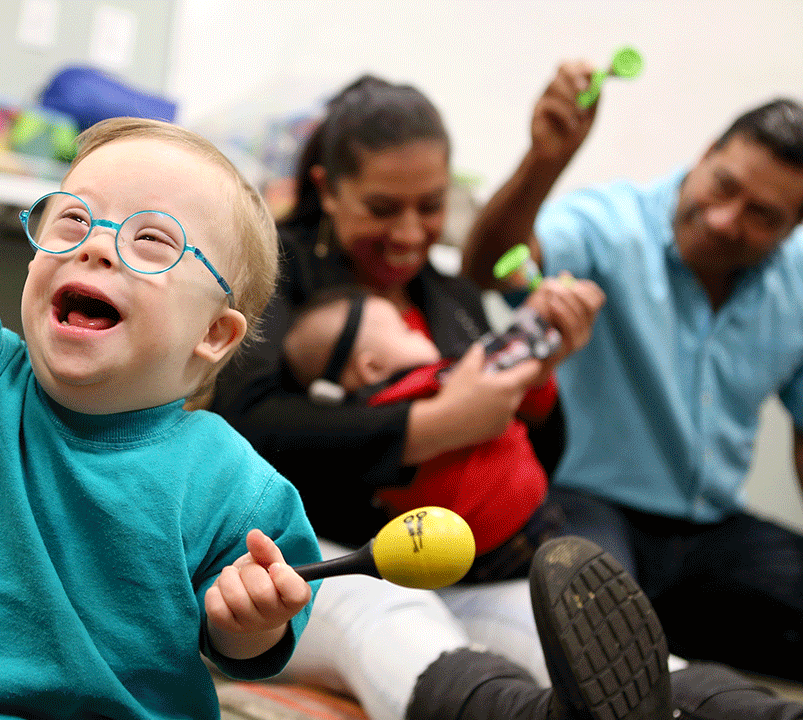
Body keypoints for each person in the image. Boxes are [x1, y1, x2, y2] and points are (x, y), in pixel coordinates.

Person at [212, 72, 803, 720]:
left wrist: (538, 383)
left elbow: (539, 459)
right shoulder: (272, 273)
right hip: (321, 555)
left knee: (594, 630)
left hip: (460, 563)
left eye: (431, 207)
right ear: (327, 189)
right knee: (395, 619)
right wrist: (434, 423)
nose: (410, 233)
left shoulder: (451, 299)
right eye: (383, 209)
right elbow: (247, 421)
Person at [0, 2, 321, 717]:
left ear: (214, 334)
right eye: (73, 219)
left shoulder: (239, 489)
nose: (94, 245)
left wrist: (249, 621)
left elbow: (247, 644)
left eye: (152, 240)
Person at [460, 60, 803, 682]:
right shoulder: (608, 228)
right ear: (704, 153)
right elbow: (486, 268)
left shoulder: (797, 282)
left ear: (794, 228)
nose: (727, 218)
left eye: (763, 216)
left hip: (714, 532)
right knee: (588, 610)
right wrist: (544, 161)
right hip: (586, 505)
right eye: (723, 185)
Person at [281, 287, 565, 583]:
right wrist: (534, 321)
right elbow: (503, 355)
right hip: (518, 528)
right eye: (405, 331)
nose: (419, 333)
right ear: (372, 366)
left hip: (466, 554)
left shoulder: (366, 437)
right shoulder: (425, 386)